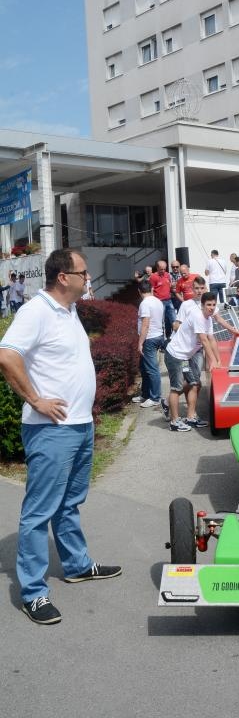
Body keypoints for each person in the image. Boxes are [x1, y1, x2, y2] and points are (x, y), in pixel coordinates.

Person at [0, 249, 121, 625]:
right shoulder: (36, 311)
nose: (89, 278)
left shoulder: (68, 312)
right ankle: (33, 593)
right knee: (39, 512)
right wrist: (35, 399)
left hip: (78, 425)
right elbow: (6, 356)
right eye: (83, 272)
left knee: (69, 503)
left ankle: (77, 565)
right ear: (63, 277)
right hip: (51, 430)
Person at [164, 291, 221, 431]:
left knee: (194, 383)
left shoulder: (208, 319)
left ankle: (190, 417)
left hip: (185, 358)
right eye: (208, 305)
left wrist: (218, 360)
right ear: (202, 305)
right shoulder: (198, 316)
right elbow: (203, 340)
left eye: (214, 305)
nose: (211, 308)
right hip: (175, 356)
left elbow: (211, 339)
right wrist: (212, 361)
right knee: (176, 388)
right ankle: (174, 422)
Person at [132, 280, 164, 408]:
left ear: (139, 291)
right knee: (144, 368)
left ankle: (155, 397)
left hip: (149, 339)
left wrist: (140, 343)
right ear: (151, 289)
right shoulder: (158, 301)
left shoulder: (144, 304)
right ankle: (145, 394)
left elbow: (145, 324)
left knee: (151, 369)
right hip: (158, 336)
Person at [149, 260, 175, 340]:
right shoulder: (153, 277)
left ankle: (171, 337)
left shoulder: (167, 275)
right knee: (161, 322)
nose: (163, 271)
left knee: (173, 319)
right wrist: (151, 301)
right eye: (161, 269)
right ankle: (161, 340)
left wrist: (172, 286)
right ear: (157, 268)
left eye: (164, 269)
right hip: (159, 302)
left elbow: (169, 286)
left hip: (169, 300)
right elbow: (151, 289)